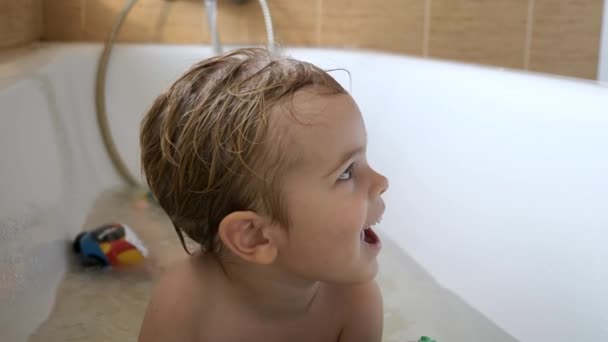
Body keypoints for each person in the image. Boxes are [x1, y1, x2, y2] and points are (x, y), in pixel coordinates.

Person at [138, 47, 389, 342]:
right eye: (346, 172)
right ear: (255, 236)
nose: (381, 181)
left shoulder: (355, 301)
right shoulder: (185, 305)